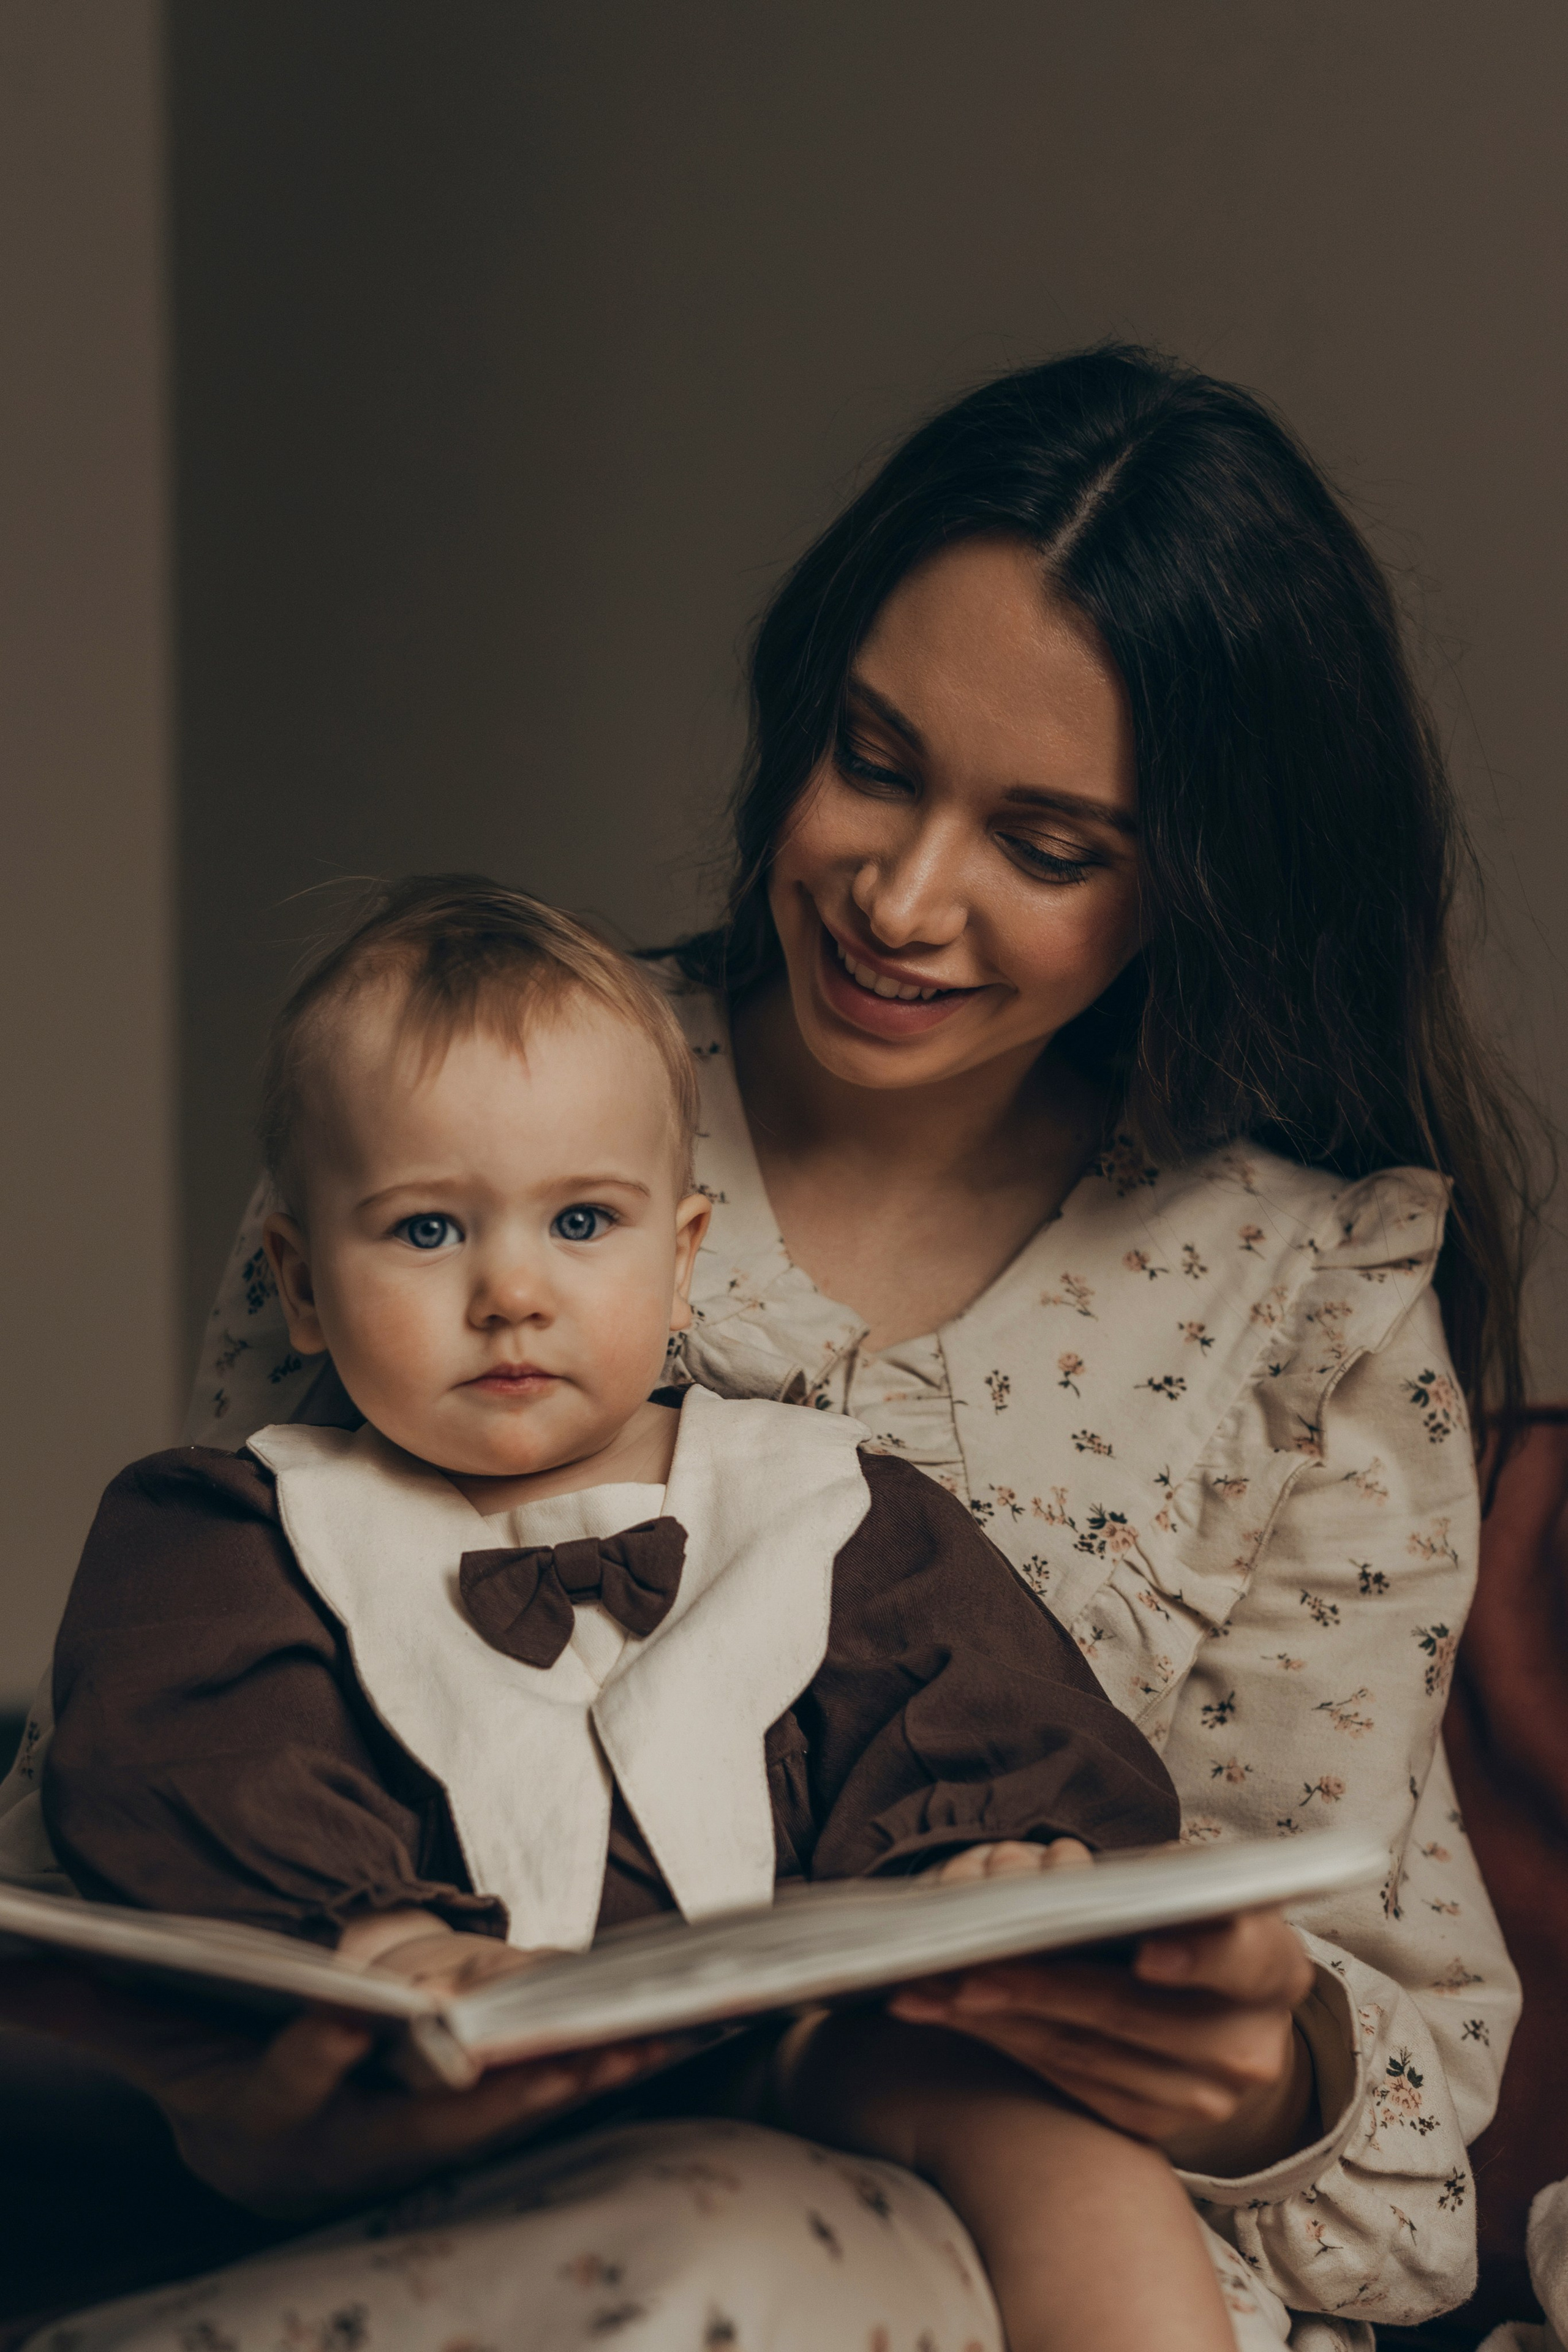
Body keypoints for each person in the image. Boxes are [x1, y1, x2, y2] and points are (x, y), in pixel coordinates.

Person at [0, 344, 1534, 2350]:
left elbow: (1405, 2178)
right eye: (876, 760)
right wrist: (260, 2092)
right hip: (482, 2221)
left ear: (1204, 880)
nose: (903, 898)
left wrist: (1248, 2075)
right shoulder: (470, 1119)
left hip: (1024, 2265)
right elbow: (181, 1788)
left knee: (746, 2247)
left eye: (1049, 845)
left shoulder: (1300, 1301)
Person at [39, 876, 1228, 2352]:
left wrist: (987, 1862)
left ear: (680, 1256)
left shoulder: (831, 1503)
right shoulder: (235, 1528)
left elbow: (962, 1701)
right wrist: (375, 1943)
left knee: (1056, 2148)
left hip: (781, 2054)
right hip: (419, 2095)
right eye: (424, 1232)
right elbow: (196, 1755)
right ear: (295, 1280)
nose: (511, 1292)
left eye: (582, 1220)